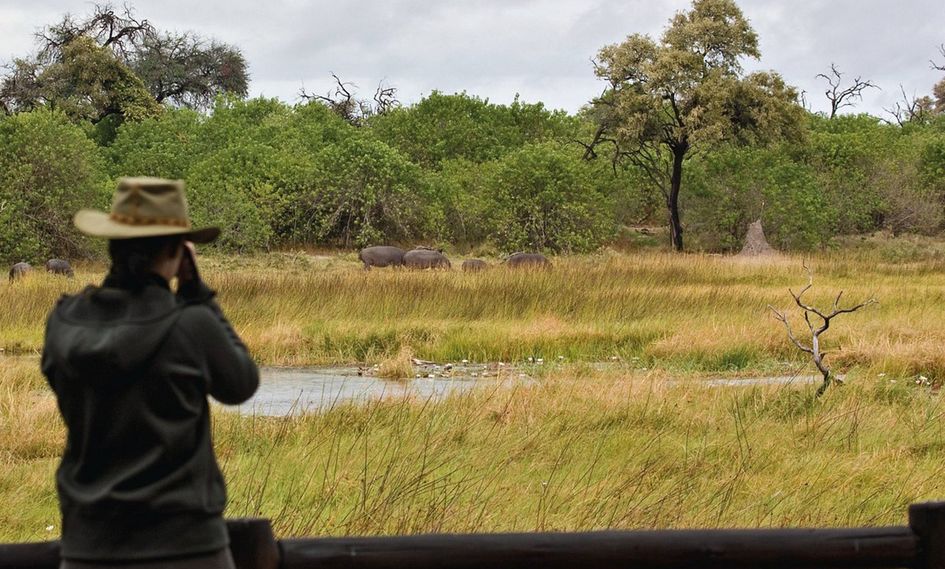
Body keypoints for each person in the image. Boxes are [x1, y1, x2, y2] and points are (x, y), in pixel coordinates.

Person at [41, 177, 260, 569]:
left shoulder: (64, 322)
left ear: (113, 244)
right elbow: (241, 384)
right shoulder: (190, 324)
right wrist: (197, 293)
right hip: (187, 547)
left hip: (89, 547)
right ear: (177, 251)